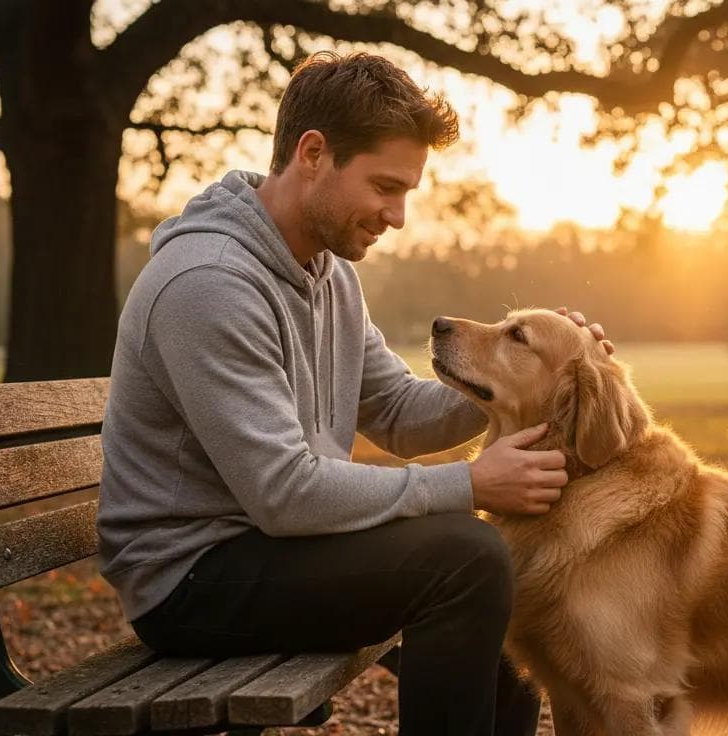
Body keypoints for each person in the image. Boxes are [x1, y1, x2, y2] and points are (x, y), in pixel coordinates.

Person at [96, 50, 612, 735]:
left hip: (269, 548)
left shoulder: (326, 271)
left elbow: (398, 411)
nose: (397, 215)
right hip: (192, 581)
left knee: (484, 571)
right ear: (313, 153)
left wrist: (531, 374)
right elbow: (284, 493)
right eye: (385, 186)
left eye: (407, 193)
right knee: (468, 558)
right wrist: (470, 485)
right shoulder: (208, 285)